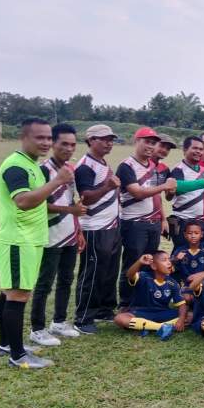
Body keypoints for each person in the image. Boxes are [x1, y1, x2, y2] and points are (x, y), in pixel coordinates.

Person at [0, 118, 75, 369]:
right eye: (40, 137)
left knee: (10, 293)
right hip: (18, 240)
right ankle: (18, 356)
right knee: (17, 295)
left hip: (28, 240)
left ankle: (6, 345)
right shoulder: (16, 166)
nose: (46, 142)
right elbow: (23, 201)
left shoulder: (32, 165)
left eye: (48, 138)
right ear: (24, 137)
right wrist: (57, 181)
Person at [29, 123, 86, 346]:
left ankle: (59, 322)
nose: (69, 148)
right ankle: (37, 328)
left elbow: (72, 202)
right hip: (50, 235)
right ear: (53, 143)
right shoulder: (43, 170)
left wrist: (78, 229)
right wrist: (70, 211)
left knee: (66, 279)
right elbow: (38, 204)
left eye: (72, 144)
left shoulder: (70, 169)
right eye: (64, 144)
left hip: (69, 235)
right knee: (45, 283)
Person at [116, 127, 177, 310]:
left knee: (150, 263)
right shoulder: (126, 166)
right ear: (137, 141)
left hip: (153, 223)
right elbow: (138, 193)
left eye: (153, 143)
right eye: (147, 142)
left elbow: (158, 196)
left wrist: (163, 218)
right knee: (133, 263)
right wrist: (165, 186)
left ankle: (143, 300)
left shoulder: (153, 166)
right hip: (134, 223)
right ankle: (126, 303)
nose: (151, 146)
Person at [74, 124, 122, 334]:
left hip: (111, 225)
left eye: (111, 139)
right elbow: (86, 197)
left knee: (109, 270)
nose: (109, 143)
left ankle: (104, 309)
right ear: (91, 140)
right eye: (104, 139)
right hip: (94, 227)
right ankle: (83, 317)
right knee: (92, 273)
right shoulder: (85, 166)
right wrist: (108, 187)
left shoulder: (102, 162)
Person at [113, 252, 185, 340]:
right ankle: (160, 327)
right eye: (164, 260)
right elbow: (129, 275)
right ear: (154, 266)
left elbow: (182, 304)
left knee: (189, 316)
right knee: (119, 318)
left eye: (169, 259)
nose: (169, 262)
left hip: (162, 313)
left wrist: (181, 320)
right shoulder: (143, 276)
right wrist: (139, 262)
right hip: (141, 312)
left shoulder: (173, 283)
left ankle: (145, 326)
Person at [169, 136, 204, 250]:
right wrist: (202, 182)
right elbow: (176, 186)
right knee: (181, 254)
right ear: (184, 150)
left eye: (201, 149)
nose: (198, 151)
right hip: (183, 222)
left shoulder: (202, 170)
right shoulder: (178, 169)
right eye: (195, 148)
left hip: (202, 222)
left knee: (201, 254)